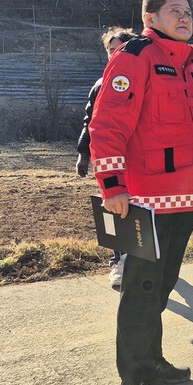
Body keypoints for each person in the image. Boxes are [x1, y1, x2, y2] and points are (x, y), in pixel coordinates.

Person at [89, 0, 193, 385]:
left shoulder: (189, 67)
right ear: (151, 19)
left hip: (182, 197)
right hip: (144, 198)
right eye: (175, 11)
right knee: (141, 291)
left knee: (161, 286)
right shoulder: (136, 57)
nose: (185, 18)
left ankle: (152, 362)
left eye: (189, 13)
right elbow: (108, 124)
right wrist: (113, 186)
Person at [75, 26, 134, 288]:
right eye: (111, 50)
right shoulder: (100, 84)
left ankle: (147, 260)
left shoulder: (142, 79)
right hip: (110, 159)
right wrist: (83, 153)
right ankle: (118, 264)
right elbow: (91, 121)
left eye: (119, 49)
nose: (114, 54)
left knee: (141, 209)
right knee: (113, 208)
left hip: (138, 159)